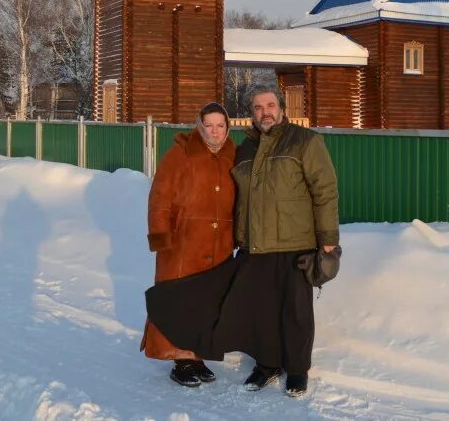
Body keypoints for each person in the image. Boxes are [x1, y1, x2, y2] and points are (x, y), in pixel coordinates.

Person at [220, 81, 339, 398]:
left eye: (270, 105)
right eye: (258, 108)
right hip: (254, 246)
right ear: (251, 115)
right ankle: (267, 364)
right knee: (261, 311)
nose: (265, 112)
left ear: (282, 109)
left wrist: (328, 239)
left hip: (294, 243)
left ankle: (297, 370)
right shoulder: (244, 149)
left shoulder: (304, 141)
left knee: (295, 312)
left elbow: (324, 191)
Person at [141, 101, 236, 388]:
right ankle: (180, 359)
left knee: (207, 303)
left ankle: (197, 356)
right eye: (209, 125)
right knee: (178, 300)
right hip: (183, 243)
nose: (215, 131)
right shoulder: (180, 153)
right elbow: (160, 197)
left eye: (221, 125)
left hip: (219, 246)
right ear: (199, 126)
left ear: (227, 128)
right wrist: (161, 236)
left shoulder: (233, 156)